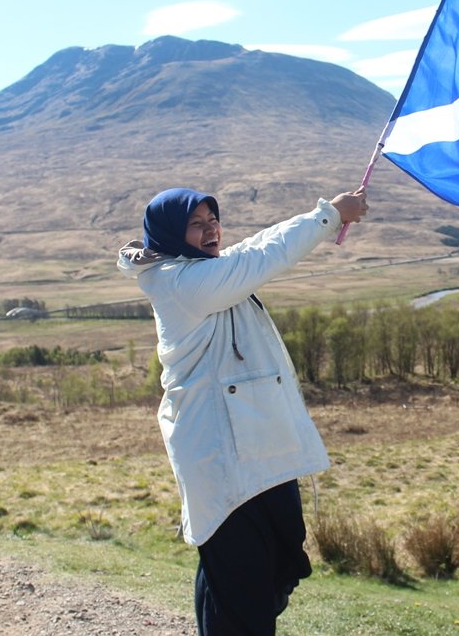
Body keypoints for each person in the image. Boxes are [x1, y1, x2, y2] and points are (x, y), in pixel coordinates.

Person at [117, 186, 369, 635]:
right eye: (196, 223)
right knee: (238, 580)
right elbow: (258, 259)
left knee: (272, 562)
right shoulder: (181, 282)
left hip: (256, 448)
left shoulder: (202, 269)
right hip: (218, 452)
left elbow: (252, 246)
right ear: (171, 234)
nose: (211, 228)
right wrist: (328, 217)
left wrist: (327, 214)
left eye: (213, 218)